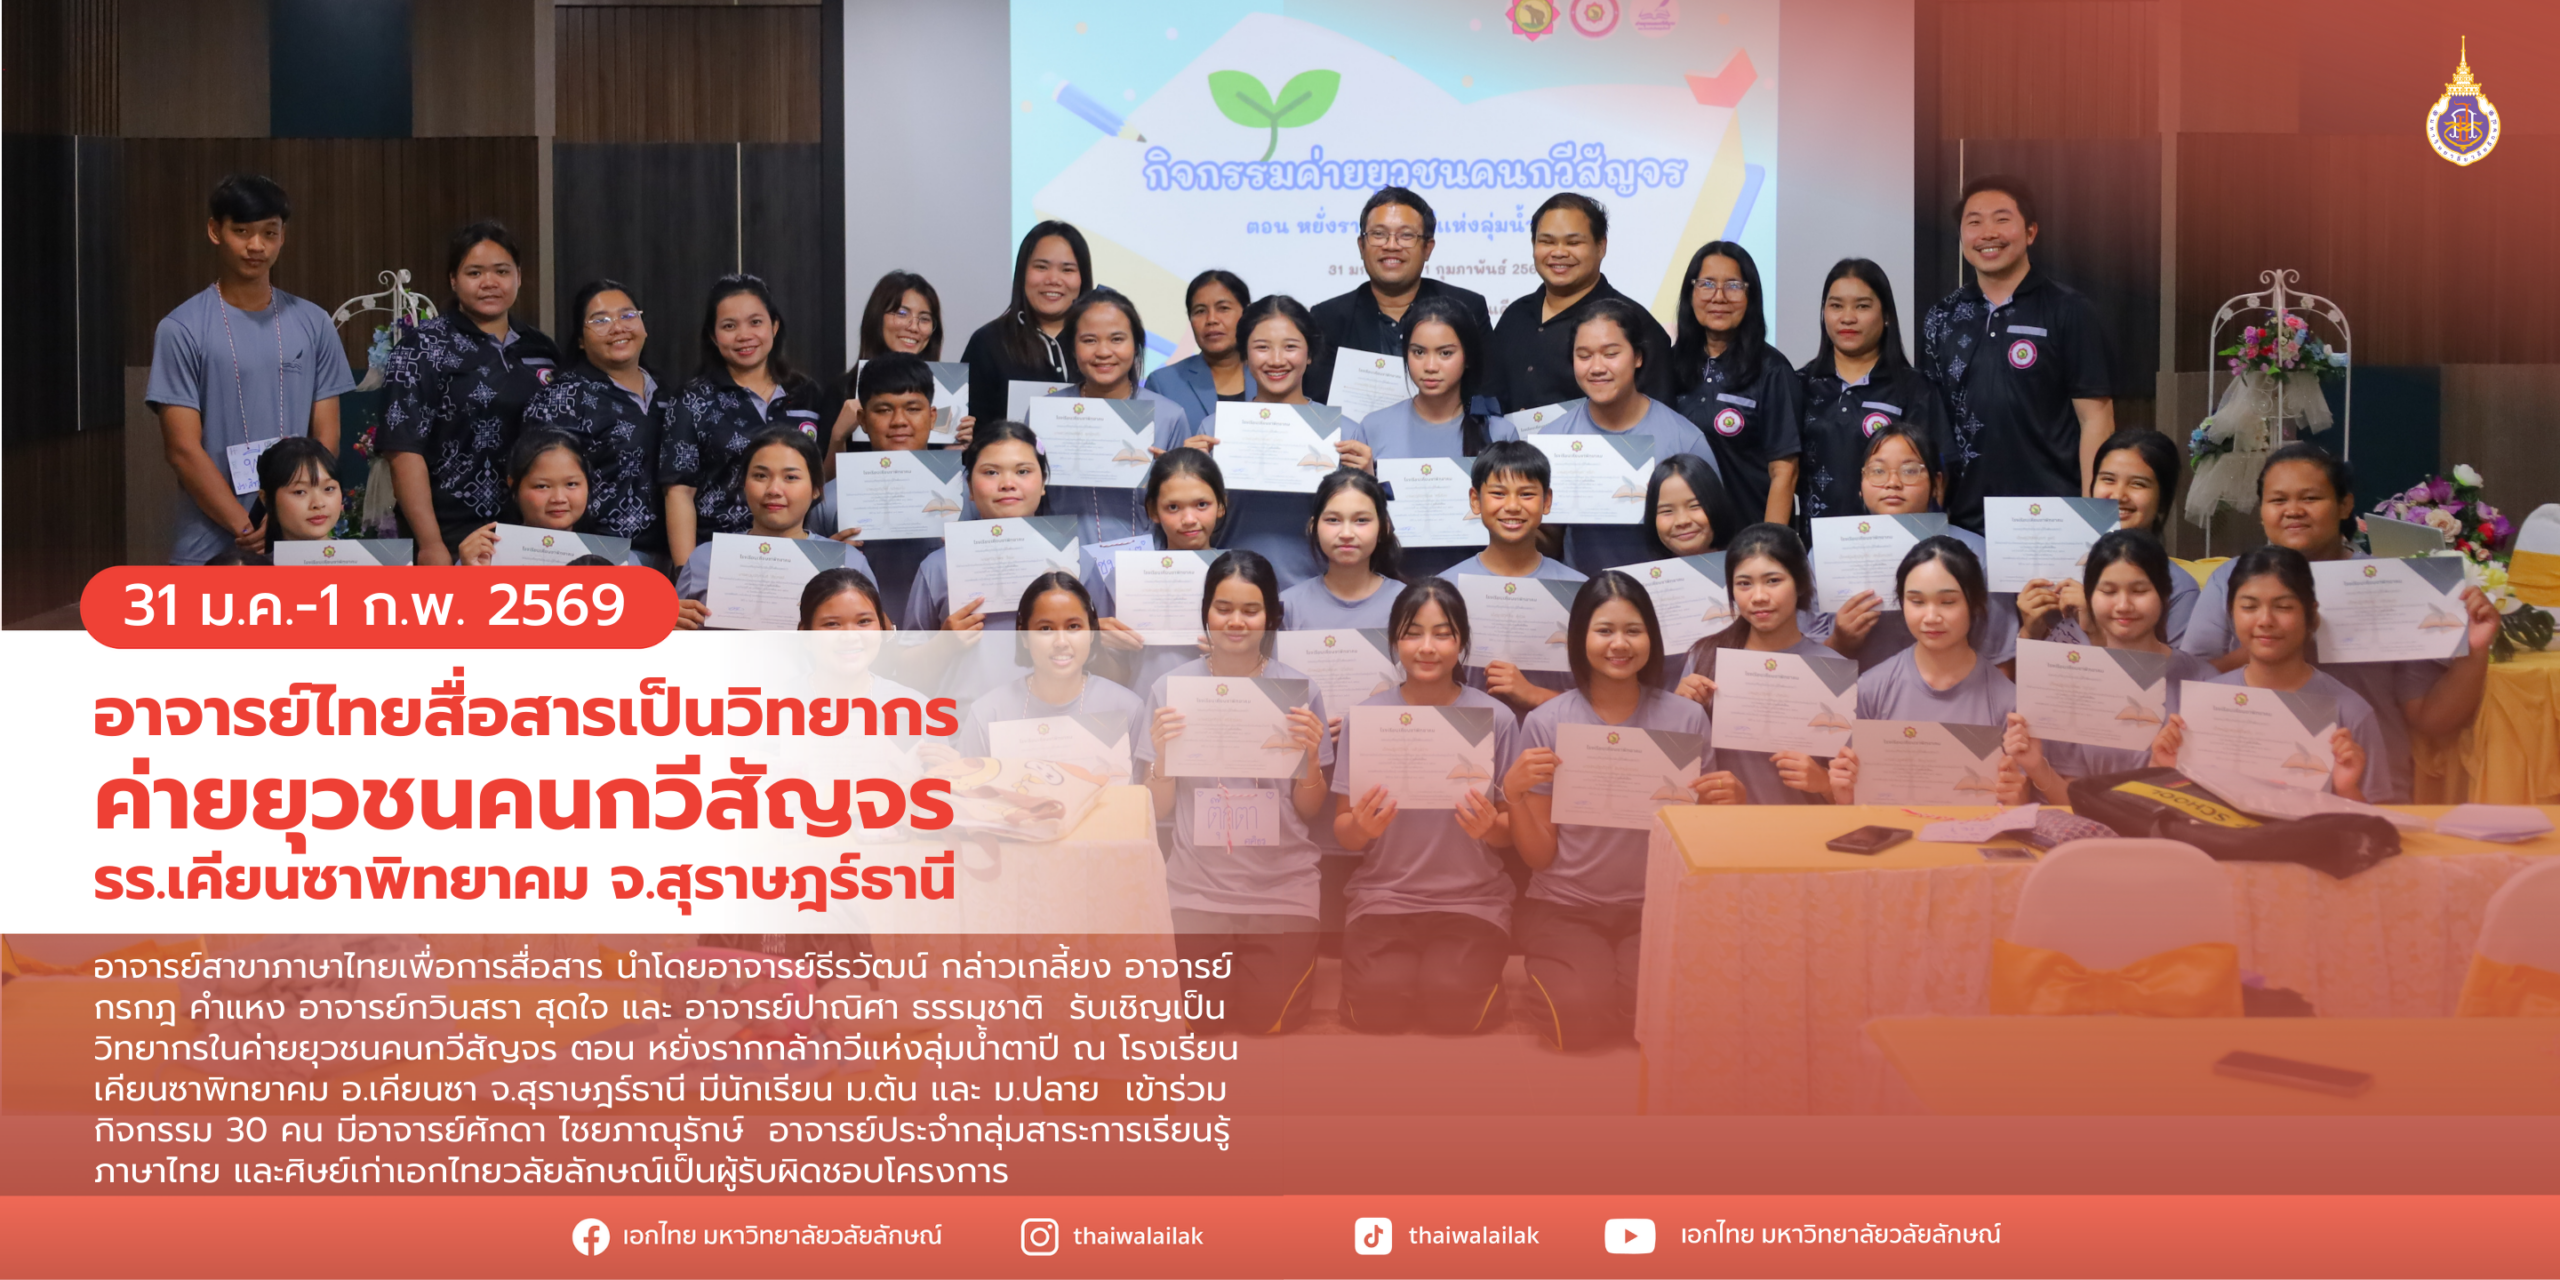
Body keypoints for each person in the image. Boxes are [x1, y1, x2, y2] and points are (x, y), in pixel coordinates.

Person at [2175, 443, 2496, 802]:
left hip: (2368, 786)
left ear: (2344, 504)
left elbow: (2430, 717)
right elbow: (2192, 687)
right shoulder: (2231, 579)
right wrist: (2277, 642)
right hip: (2244, 787)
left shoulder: (2390, 583)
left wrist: (2475, 651)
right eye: (2278, 500)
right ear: (2262, 511)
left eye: (2310, 498)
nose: (2293, 510)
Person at [1503, 572, 1724, 1049]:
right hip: (1565, 907)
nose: (1619, 644)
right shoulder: (1546, 722)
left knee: (1657, 1019)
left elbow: (1700, 839)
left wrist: (1728, 803)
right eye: (1604, 630)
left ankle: (1618, 986)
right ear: (1580, 637)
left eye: (1633, 631)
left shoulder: (1686, 719)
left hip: (1655, 907)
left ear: (1652, 638)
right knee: (1578, 1021)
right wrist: (1514, 796)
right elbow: (1539, 857)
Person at [1137, 550, 1334, 1035]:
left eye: (1251, 610)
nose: (1236, 622)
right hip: (1197, 887)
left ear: (1270, 616)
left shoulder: (1298, 690)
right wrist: (1162, 756)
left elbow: (1309, 810)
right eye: (1223, 608)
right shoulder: (1171, 689)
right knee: (1201, 1020)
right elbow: (1157, 808)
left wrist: (1311, 757)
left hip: (1281, 886)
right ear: (1206, 610)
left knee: (1267, 1019)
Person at [1330, 579, 1519, 1033]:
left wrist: (1491, 828)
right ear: (1395, 640)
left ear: (1462, 641)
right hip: (1383, 898)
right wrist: (1363, 827)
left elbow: (1512, 832)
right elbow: (1344, 830)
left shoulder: (1496, 719)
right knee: (1376, 1011)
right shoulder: (1366, 718)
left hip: (1472, 900)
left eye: (1443, 634)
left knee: (1453, 1008)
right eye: (1413, 633)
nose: (1428, 648)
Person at [147, 174, 355, 565]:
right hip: (207, 544)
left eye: (269, 233)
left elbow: (326, 436)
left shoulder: (314, 323)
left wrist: (289, 518)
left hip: (298, 542)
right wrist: (246, 528)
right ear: (215, 231)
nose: (256, 246)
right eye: (241, 231)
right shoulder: (182, 328)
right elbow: (182, 449)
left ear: (282, 236)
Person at [1917, 175, 2116, 532]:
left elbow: (2095, 419)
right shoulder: (1941, 318)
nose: (1988, 233)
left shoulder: (2068, 310)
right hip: (1963, 521)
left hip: (2053, 516)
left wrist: (2094, 517)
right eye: (1974, 222)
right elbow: (1931, 425)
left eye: (2002, 219)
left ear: (2030, 232)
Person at [381, 220, 560, 565]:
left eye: (502, 271)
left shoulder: (541, 348)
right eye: (475, 273)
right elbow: (403, 450)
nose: (490, 283)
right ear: (453, 279)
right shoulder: (422, 348)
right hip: (450, 535)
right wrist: (430, 544)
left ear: (519, 276)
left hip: (533, 536)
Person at [1999, 529, 2222, 798]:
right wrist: (2036, 766)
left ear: (2164, 595)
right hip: (2085, 825)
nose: (2123, 605)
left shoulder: (2204, 681)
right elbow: (2071, 798)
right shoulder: (2066, 681)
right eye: (2108, 591)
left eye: (2139, 591)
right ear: (2089, 597)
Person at [2152, 546, 2385, 801]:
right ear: (2231, 613)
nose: (2265, 620)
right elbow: (2178, 807)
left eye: (2283, 607)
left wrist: (2347, 789)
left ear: (2311, 615)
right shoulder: (2202, 704)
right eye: (2249, 607)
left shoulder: (2350, 712)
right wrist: (2164, 767)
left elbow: (2380, 821)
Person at [1822, 537, 2022, 804]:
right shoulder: (1870, 689)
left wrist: (2015, 797)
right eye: (1917, 601)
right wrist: (1844, 794)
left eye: (1947, 602)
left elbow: (2016, 802)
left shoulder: (2008, 702)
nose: (1931, 617)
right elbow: (1855, 803)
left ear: (1975, 603)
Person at [1824, 423, 2022, 673]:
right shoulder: (1826, 555)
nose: (1892, 482)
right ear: (1861, 484)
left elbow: (2000, 660)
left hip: (1956, 695)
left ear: (1937, 483)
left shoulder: (1978, 554)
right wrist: (1840, 641)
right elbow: (1805, 662)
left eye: (1910, 471)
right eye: (1878, 471)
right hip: (1856, 696)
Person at [1544, 298, 1719, 577]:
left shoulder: (1685, 440)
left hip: (1668, 592)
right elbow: (1546, 536)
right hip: (1583, 595)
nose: (1597, 367)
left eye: (1611, 353)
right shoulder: (1553, 440)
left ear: (1638, 357)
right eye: (1584, 356)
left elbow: (1715, 537)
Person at [661, 274, 824, 569]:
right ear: (713, 336)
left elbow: (817, 477)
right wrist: (687, 572)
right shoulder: (692, 399)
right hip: (721, 557)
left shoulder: (806, 392)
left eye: (755, 322)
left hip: (796, 554)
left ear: (774, 326)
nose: (744, 335)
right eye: (729, 326)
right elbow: (679, 493)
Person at [1343, 293, 1507, 579]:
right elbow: (1357, 526)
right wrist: (1367, 483)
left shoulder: (1498, 431)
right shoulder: (1374, 426)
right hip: (1392, 585)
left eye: (1445, 353)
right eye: (1418, 352)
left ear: (1467, 357)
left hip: (1478, 586)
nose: (1430, 366)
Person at [1674, 523, 1841, 803]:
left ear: (1800, 583)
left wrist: (1825, 783)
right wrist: (1679, 709)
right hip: (1725, 825)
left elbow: (1859, 789)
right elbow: (1679, 768)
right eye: (1744, 584)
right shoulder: (1704, 657)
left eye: (1773, 580)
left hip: (1807, 826)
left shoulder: (1832, 669)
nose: (1759, 596)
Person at [1210, 294, 1358, 586]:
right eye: (1262, 347)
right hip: (1234, 590)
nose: (1276, 360)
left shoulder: (1345, 432)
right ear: (1245, 354)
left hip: (1322, 591)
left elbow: (1366, 528)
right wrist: (1190, 478)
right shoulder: (1214, 428)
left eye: (1290, 347)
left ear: (1310, 354)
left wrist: (1366, 479)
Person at [905, 420, 1054, 701]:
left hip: (1054, 720)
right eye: (991, 472)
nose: (1007, 484)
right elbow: (905, 673)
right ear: (970, 488)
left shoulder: (1074, 564)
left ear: (1043, 483)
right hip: (962, 722)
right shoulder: (937, 567)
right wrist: (943, 644)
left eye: (1023, 471)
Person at [521, 279, 665, 568]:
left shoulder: (667, 394)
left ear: (643, 326)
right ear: (580, 340)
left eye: (627, 315)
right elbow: (539, 487)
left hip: (667, 550)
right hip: (594, 556)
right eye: (600, 320)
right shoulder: (561, 399)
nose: (618, 327)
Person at [1798, 258, 1952, 526]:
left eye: (1862, 306)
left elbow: (1942, 473)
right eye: (1836, 306)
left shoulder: (1915, 389)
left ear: (1887, 315)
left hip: (1899, 541)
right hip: (1819, 542)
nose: (1848, 317)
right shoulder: (1800, 385)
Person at [946, 573, 1145, 780]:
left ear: (1092, 632)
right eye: (1046, 629)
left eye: (1073, 627)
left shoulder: (1127, 709)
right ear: (1023, 636)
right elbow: (967, 794)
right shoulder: (987, 714)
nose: (1061, 642)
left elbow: (1142, 795)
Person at [1487, 193, 1674, 413]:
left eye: (1573, 242)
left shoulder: (1635, 322)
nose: (1559, 252)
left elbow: (1659, 418)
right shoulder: (1515, 315)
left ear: (1601, 246)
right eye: (1547, 242)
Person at [1307, 187, 1494, 405]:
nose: (1391, 245)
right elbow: (1318, 404)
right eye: (1379, 234)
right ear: (1361, 246)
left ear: (1428, 248)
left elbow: (1488, 394)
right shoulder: (1328, 318)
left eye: (1406, 235)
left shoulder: (1467, 307)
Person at [673, 426, 872, 629]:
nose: (774, 490)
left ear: (816, 489)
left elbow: (877, 635)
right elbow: (680, 638)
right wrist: (671, 625)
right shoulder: (705, 559)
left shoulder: (848, 562)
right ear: (744, 484)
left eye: (791, 477)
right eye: (761, 476)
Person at [1043, 287, 1195, 545]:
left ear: (1135, 346)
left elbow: (1188, 506)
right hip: (1065, 560)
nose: (1103, 352)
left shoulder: (1169, 416)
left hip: (1147, 563)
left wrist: (1173, 478)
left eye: (1116, 339)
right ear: (1072, 348)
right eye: (1089, 340)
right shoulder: (1048, 412)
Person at [2019, 428, 2195, 646]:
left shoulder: (2178, 587)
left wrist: (2097, 628)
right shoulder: (2045, 570)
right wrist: (2029, 633)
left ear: (2162, 501)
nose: (2118, 495)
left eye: (2138, 484)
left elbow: (2175, 668)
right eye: (2108, 480)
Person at [1449, 441, 1587, 715]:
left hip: (1555, 735)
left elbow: (1599, 696)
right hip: (1471, 734)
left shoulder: (1579, 591)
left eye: (1526, 494)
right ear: (1475, 500)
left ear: (1546, 501)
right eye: (1498, 494)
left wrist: (1534, 695)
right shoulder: (1446, 588)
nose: (1512, 506)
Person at [1671, 240, 1802, 527]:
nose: (1719, 297)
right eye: (1707, 284)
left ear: (1750, 296)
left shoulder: (1772, 370)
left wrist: (1768, 544)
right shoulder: (1669, 364)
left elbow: (1784, 472)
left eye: (1733, 285)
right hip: (1682, 536)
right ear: (1691, 292)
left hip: (1748, 535)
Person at [1087, 447, 1232, 698]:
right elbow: (1112, 677)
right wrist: (1094, 643)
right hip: (1146, 709)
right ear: (1153, 511)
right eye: (1173, 507)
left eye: (1202, 504)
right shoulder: (1123, 577)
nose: (1189, 519)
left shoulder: (1241, 576)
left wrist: (1238, 652)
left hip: (1221, 707)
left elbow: (1266, 664)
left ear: (1221, 505)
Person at [816, 355, 947, 624]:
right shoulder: (830, 499)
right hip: (857, 639)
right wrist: (822, 558)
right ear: (862, 420)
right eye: (884, 410)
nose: (898, 421)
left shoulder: (971, 494)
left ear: (932, 417)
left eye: (913, 408)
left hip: (946, 639)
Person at [823, 270, 971, 461]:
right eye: (902, 313)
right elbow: (821, 479)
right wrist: (838, 436)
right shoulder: (842, 392)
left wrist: (954, 452)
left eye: (924, 319)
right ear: (877, 317)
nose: (913, 327)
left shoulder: (951, 397)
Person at [960, 221, 1089, 425]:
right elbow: (969, 427)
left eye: (1067, 270)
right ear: (1022, 272)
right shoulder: (988, 342)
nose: (1053, 279)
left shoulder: (1100, 344)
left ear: (1082, 278)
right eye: (1041, 267)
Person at [1642, 453, 1746, 687]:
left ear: (1716, 504)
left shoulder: (1748, 575)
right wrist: (1674, 700)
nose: (1682, 521)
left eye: (1695, 506)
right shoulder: (1644, 588)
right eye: (1666, 511)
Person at [1281, 469, 1403, 630]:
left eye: (1361, 520)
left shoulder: (1408, 602)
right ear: (1313, 527)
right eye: (1333, 520)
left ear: (1384, 528)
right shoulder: (1288, 606)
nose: (1346, 534)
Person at [455, 431, 596, 565]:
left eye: (571, 484)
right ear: (514, 486)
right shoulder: (484, 555)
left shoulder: (605, 555)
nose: (559, 498)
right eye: (542, 486)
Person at [1144, 269, 1256, 429]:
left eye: (1223, 308)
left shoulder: (1270, 376)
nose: (1211, 319)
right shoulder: (1163, 384)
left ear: (1246, 314)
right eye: (1200, 311)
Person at [210, 436, 342, 564]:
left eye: (329, 489)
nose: (318, 503)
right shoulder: (252, 571)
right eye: (300, 492)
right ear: (266, 499)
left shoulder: (354, 560)